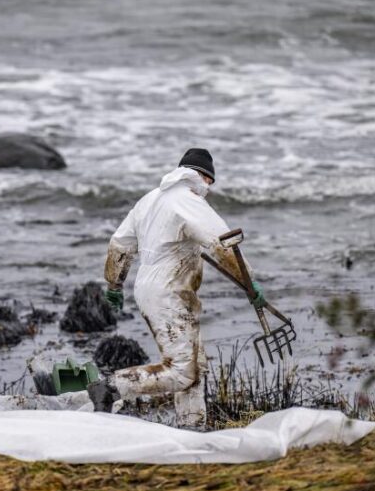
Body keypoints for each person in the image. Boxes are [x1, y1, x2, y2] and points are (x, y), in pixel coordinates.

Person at [88, 148, 265, 428]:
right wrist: (249, 282)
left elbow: (120, 244)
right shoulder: (188, 201)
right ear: (204, 177)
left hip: (152, 288)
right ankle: (112, 386)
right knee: (182, 371)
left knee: (196, 364)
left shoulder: (149, 200)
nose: (208, 188)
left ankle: (192, 426)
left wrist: (115, 283)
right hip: (167, 291)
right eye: (209, 182)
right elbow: (222, 242)